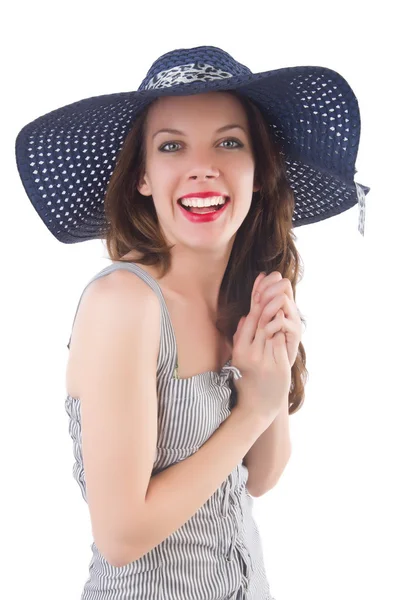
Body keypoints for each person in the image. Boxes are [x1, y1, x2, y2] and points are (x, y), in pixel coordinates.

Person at [15, 45, 369, 600]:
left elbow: (261, 477)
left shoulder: (247, 297)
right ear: (143, 177)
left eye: (229, 142)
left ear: (259, 172)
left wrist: (269, 383)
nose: (202, 166)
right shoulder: (124, 305)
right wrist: (253, 409)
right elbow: (121, 535)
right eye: (171, 146)